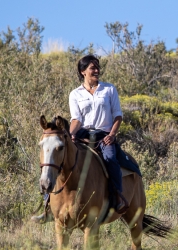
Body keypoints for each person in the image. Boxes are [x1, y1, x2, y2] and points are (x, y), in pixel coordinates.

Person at [31, 54, 127, 223]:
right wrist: (70, 134)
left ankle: (117, 198)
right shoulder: (75, 94)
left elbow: (117, 116)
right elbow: (77, 119)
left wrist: (112, 135)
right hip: (83, 134)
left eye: (97, 67)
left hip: (104, 136)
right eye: (92, 68)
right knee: (58, 158)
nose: (96, 70)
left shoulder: (109, 90)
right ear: (83, 71)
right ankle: (47, 204)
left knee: (111, 159)